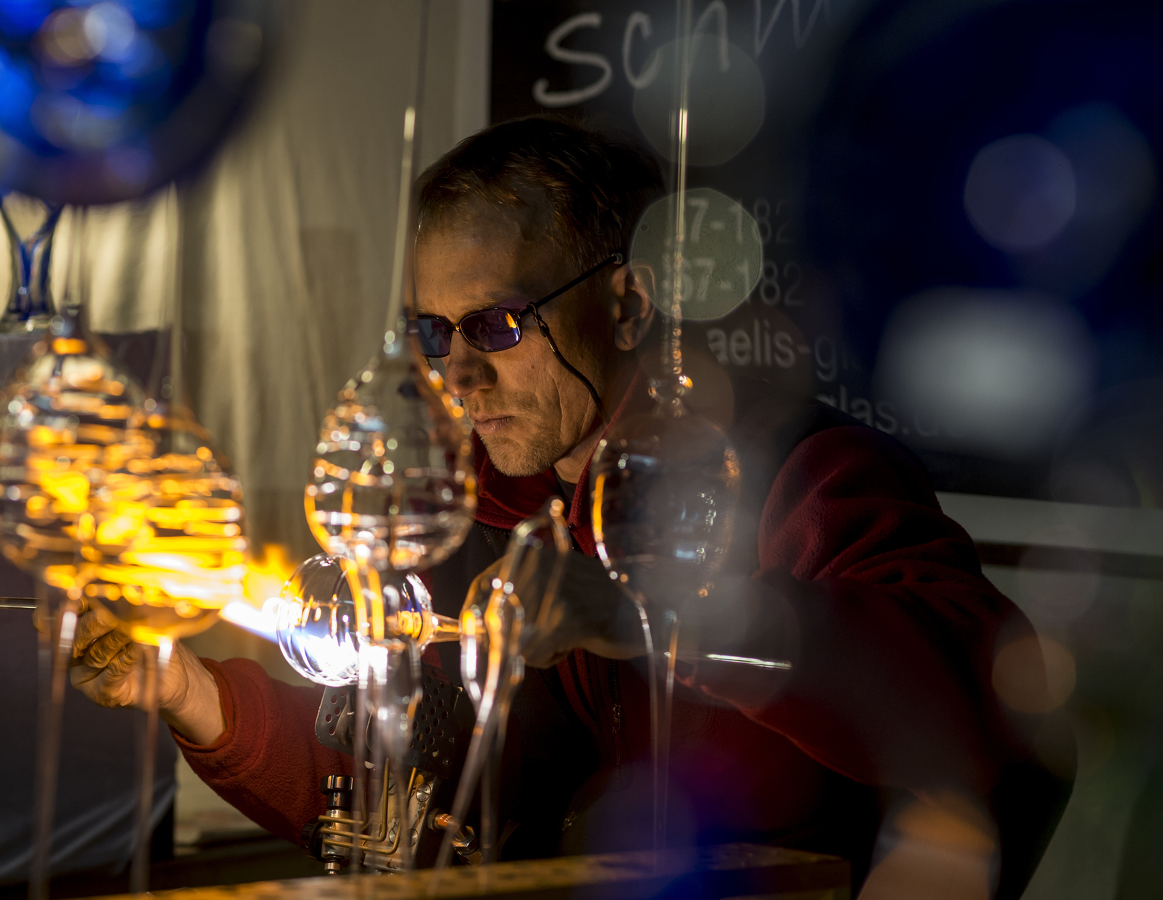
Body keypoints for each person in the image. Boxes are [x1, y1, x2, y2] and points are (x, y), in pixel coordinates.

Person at [63, 116, 1071, 896]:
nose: (454, 372)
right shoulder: (495, 511)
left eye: (495, 324)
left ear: (627, 302)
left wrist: (654, 616)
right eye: (428, 331)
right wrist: (193, 696)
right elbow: (418, 804)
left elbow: (983, 709)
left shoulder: (802, 477)